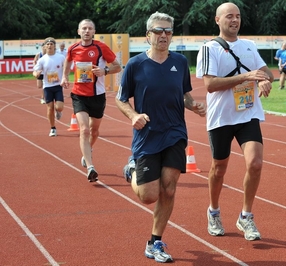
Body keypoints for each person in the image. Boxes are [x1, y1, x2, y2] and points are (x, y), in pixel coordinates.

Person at [115, 12, 206, 263]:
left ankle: (155, 241)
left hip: (175, 132)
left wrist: (193, 105)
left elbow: (184, 95)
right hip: (147, 135)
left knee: (169, 187)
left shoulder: (179, 62)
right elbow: (120, 99)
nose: (163, 35)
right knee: (148, 195)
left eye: (168, 31)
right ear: (148, 35)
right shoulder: (135, 65)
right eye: (158, 31)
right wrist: (133, 116)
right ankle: (132, 168)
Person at [196, 2, 274, 241]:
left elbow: (266, 72)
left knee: (256, 164)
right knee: (219, 168)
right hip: (222, 117)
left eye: (238, 16)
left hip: (247, 114)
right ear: (217, 20)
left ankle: (246, 216)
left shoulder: (249, 46)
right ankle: (214, 211)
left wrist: (263, 79)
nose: (235, 20)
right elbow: (210, 85)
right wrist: (247, 76)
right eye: (229, 16)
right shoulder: (209, 49)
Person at [61, 19, 122, 182]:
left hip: (97, 95)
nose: (87, 31)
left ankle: (88, 150)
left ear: (94, 32)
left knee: (94, 131)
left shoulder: (101, 47)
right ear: (78, 31)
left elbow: (118, 66)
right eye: (84, 28)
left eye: (90, 28)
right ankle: (90, 167)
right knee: (84, 129)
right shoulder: (73, 48)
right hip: (79, 94)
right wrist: (64, 76)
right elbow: (67, 61)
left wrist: (105, 70)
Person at [33, 37, 65, 136]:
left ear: (54, 46)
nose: (49, 46)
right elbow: (35, 70)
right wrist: (36, 74)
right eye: (48, 44)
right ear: (45, 46)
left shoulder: (61, 57)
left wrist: (65, 78)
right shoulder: (42, 60)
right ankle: (53, 128)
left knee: (59, 107)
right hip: (47, 86)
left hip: (58, 85)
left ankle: (58, 112)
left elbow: (66, 69)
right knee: (50, 108)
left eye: (51, 44)